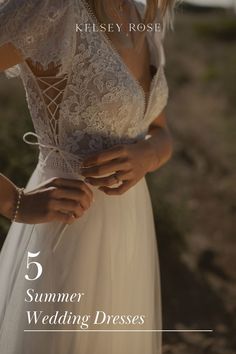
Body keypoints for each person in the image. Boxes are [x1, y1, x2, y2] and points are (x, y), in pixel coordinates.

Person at [0, 0, 174, 353]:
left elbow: (159, 129)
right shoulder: (52, 7)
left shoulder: (141, 17)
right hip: (65, 231)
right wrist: (11, 200)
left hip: (129, 233)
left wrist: (148, 154)